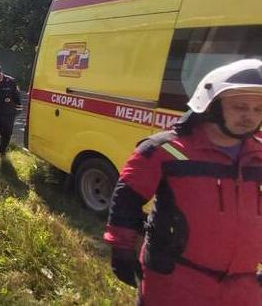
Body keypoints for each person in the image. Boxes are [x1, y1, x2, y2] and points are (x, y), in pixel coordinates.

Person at [104, 59, 262, 305]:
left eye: (258, 109)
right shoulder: (164, 150)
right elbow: (127, 197)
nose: (250, 117)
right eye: (240, 107)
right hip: (176, 283)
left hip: (244, 288)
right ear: (211, 107)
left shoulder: (258, 155)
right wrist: (122, 248)